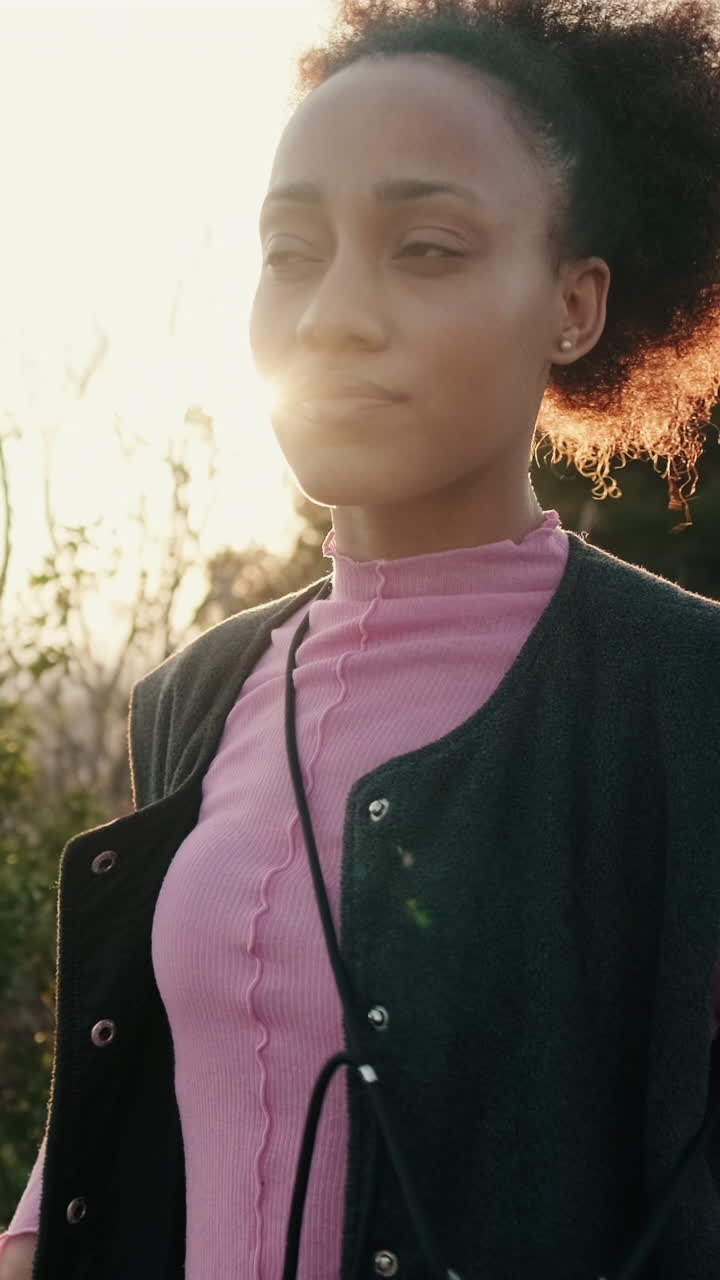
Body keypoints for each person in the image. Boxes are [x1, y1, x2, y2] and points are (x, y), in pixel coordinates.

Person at [3, 0, 720, 1276]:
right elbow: (127, 1112)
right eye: (291, 251)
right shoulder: (195, 693)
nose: (332, 313)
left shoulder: (685, 700)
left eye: (427, 248)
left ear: (573, 303)